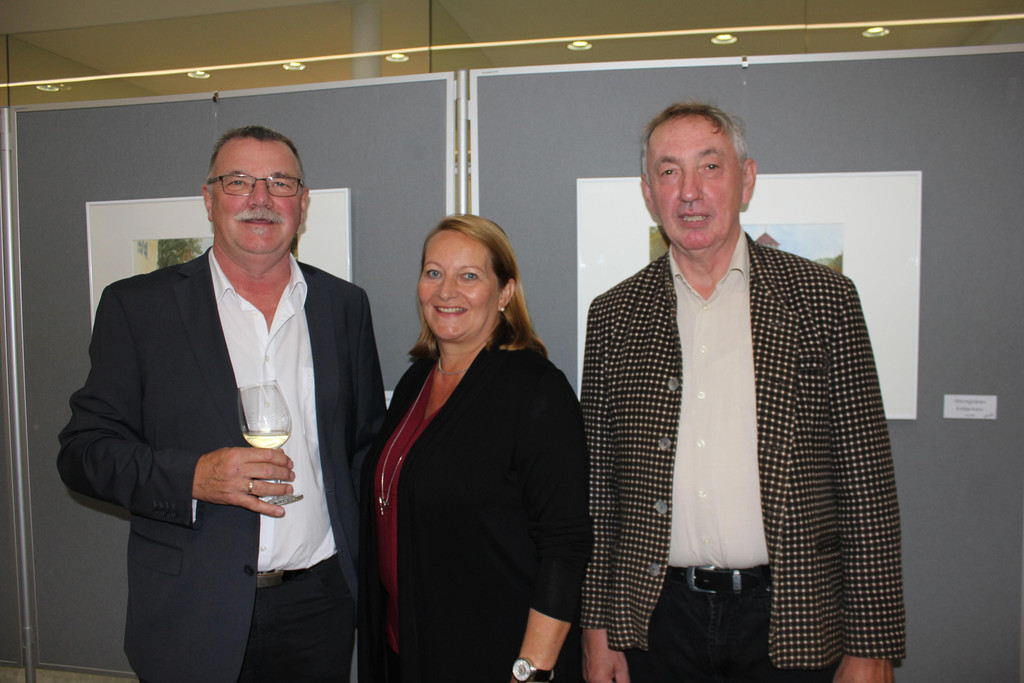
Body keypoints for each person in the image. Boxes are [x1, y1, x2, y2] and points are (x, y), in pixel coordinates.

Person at [579, 102, 905, 683]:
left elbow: (867, 487)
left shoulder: (824, 301)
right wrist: (597, 628)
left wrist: (871, 643)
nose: (689, 192)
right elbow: (600, 493)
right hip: (657, 620)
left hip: (794, 617)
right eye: (669, 172)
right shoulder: (614, 316)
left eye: (710, 167)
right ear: (649, 193)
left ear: (746, 179)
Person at [57, 125, 386, 683]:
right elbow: (83, 453)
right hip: (192, 610)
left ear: (303, 204)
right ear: (208, 200)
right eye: (238, 181)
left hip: (320, 605)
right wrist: (193, 476)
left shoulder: (344, 306)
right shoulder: (139, 308)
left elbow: (363, 448)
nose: (261, 198)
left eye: (280, 182)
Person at [357, 214, 592, 682]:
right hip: (408, 649)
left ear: (504, 292)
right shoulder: (414, 382)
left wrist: (531, 672)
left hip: (499, 657)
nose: (446, 291)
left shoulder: (536, 389)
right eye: (433, 272)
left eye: (469, 276)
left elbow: (564, 547)